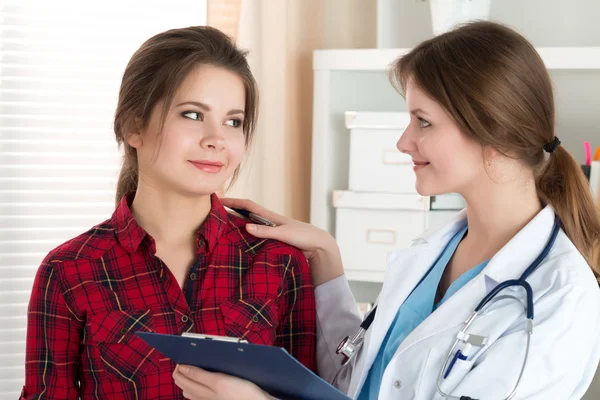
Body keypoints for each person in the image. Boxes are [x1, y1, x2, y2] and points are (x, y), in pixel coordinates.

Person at [172, 21, 600, 400]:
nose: (403, 141)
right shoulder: (431, 252)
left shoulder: (558, 299)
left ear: (493, 129)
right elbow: (358, 381)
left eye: (423, 122)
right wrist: (327, 256)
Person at [21, 26, 316, 399]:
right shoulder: (68, 271)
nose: (216, 138)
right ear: (133, 126)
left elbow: (309, 393)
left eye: (233, 121)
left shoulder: (279, 261)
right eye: (193, 115)